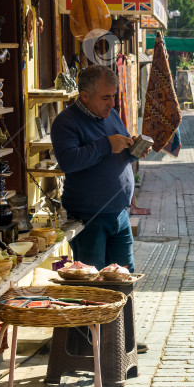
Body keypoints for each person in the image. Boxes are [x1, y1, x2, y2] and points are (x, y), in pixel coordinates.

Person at [51, 65, 147, 272]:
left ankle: (124, 306)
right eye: (105, 97)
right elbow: (68, 161)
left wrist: (133, 150)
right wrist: (106, 144)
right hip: (89, 218)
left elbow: (115, 154)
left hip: (119, 214)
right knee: (94, 284)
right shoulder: (65, 122)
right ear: (85, 96)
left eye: (113, 96)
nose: (112, 103)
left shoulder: (110, 114)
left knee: (124, 277)